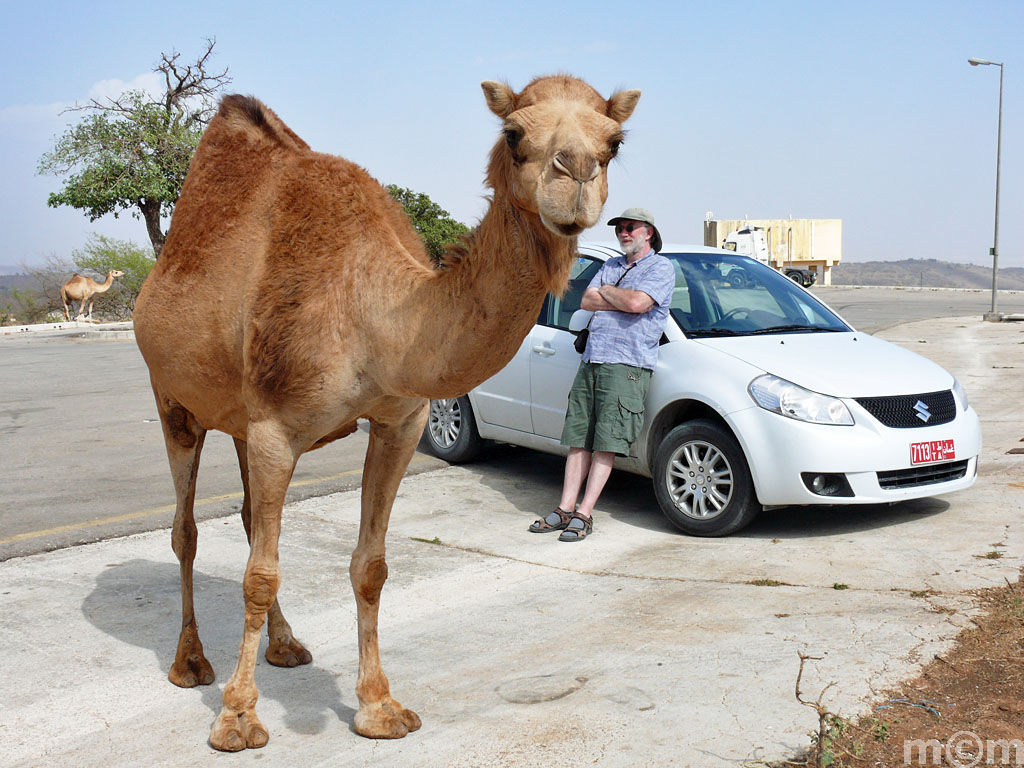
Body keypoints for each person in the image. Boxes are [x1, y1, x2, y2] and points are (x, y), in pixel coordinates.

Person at [529, 208, 676, 542]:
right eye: (620, 229)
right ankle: (565, 508)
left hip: (627, 365)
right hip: (593, 359)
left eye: (630, 228)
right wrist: (618, 297)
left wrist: (609, 294)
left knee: (606, 443)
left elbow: (639, 304)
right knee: (578, 439)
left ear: (648, 232)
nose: (623, 233)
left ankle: (585, 513)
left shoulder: (661, 268)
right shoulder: (610, 265)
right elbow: (585, 299)